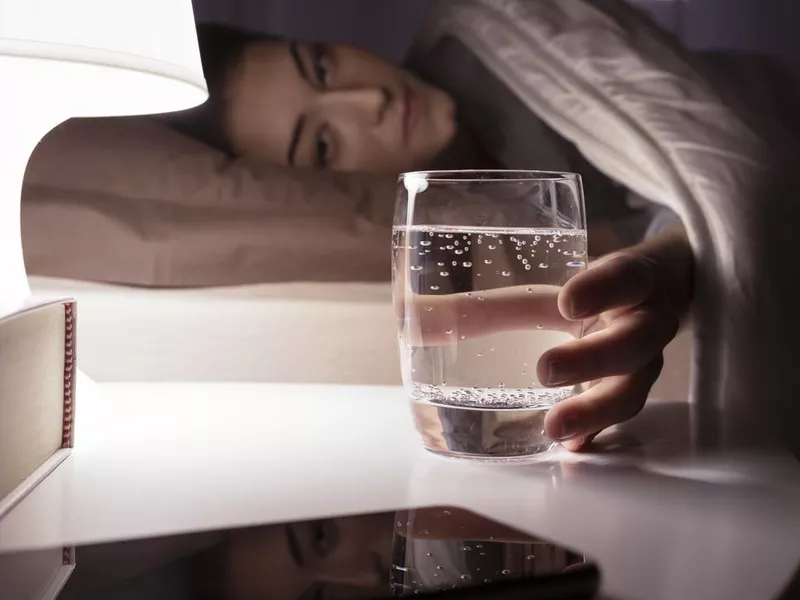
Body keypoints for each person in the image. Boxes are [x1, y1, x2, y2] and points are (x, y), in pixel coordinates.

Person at [160, 23, 694, 450]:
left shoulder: (494, 36)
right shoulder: (455, 241)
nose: (369, 99)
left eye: (322, 66)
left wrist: (671, 261)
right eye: (324, 144)